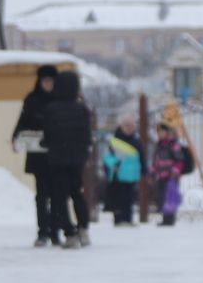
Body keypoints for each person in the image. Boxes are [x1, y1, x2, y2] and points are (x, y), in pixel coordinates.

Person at [34, 70, 93, 248]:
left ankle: (69, 233)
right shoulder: (82, 109)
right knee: (77, 193)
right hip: (77, 159)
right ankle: (83, 228)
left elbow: (48, 136)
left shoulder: (52, 109)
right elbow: (87, 135)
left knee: (60, 197)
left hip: (58, 159)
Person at [12, 64, 59, 244]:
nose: (48, 84)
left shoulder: (59, 100)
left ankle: (55, 232)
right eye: (45, 81)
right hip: (38, 155)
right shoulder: (32, 99)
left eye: (51, 81)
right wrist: (16, 137)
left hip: (56, 154)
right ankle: (42, 232)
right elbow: (23, 120)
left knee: (57, 196)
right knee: (41, 195)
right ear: (40, 81)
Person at [150, 119, 194, 228]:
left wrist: (175, 172)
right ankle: (165, 218)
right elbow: (156, 161)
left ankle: (169, 219)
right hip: (161, 176)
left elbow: (179, 160)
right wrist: (152, 172)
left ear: (167, 132)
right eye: (158, 132)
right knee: (161, 197)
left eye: (161, 132)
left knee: (170, 197)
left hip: (171, 176)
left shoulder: (173, 145)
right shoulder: (159, 145)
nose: (159, 134)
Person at [101, 120, 143, 226]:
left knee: (129, 198)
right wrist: (114, 164)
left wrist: (143, 170)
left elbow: (140, 158)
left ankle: (128, 219)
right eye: (126, 126)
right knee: (118, 197)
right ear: (121, 127)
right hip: (118, 175)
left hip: (131, 175)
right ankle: (119, 219)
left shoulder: (136, 141)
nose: (128, 128)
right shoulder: (114, 141)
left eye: (130, 126)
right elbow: (106, 156)